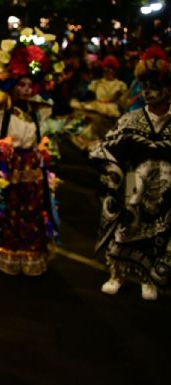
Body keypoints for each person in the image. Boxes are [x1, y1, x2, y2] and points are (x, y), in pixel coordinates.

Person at [0, 33, 60, 276]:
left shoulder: (36, 111)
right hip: (4, 168)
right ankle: (0, 252)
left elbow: (58, 104)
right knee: (0, 210)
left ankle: (28, 256)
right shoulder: (1, 109)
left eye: (30, 86)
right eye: (21, 85)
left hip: (30, 172)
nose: (26, 90)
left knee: (30, 213)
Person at [91, 47, 171, 300]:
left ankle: (148, 278)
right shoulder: (131, 119)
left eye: (154, 84)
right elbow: (104, 150)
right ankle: (117, 274)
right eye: (144, 84)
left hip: (166, 188)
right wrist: (111, 172)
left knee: (159, 234)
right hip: (133, 184)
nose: (147, 90)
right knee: (126, 229)